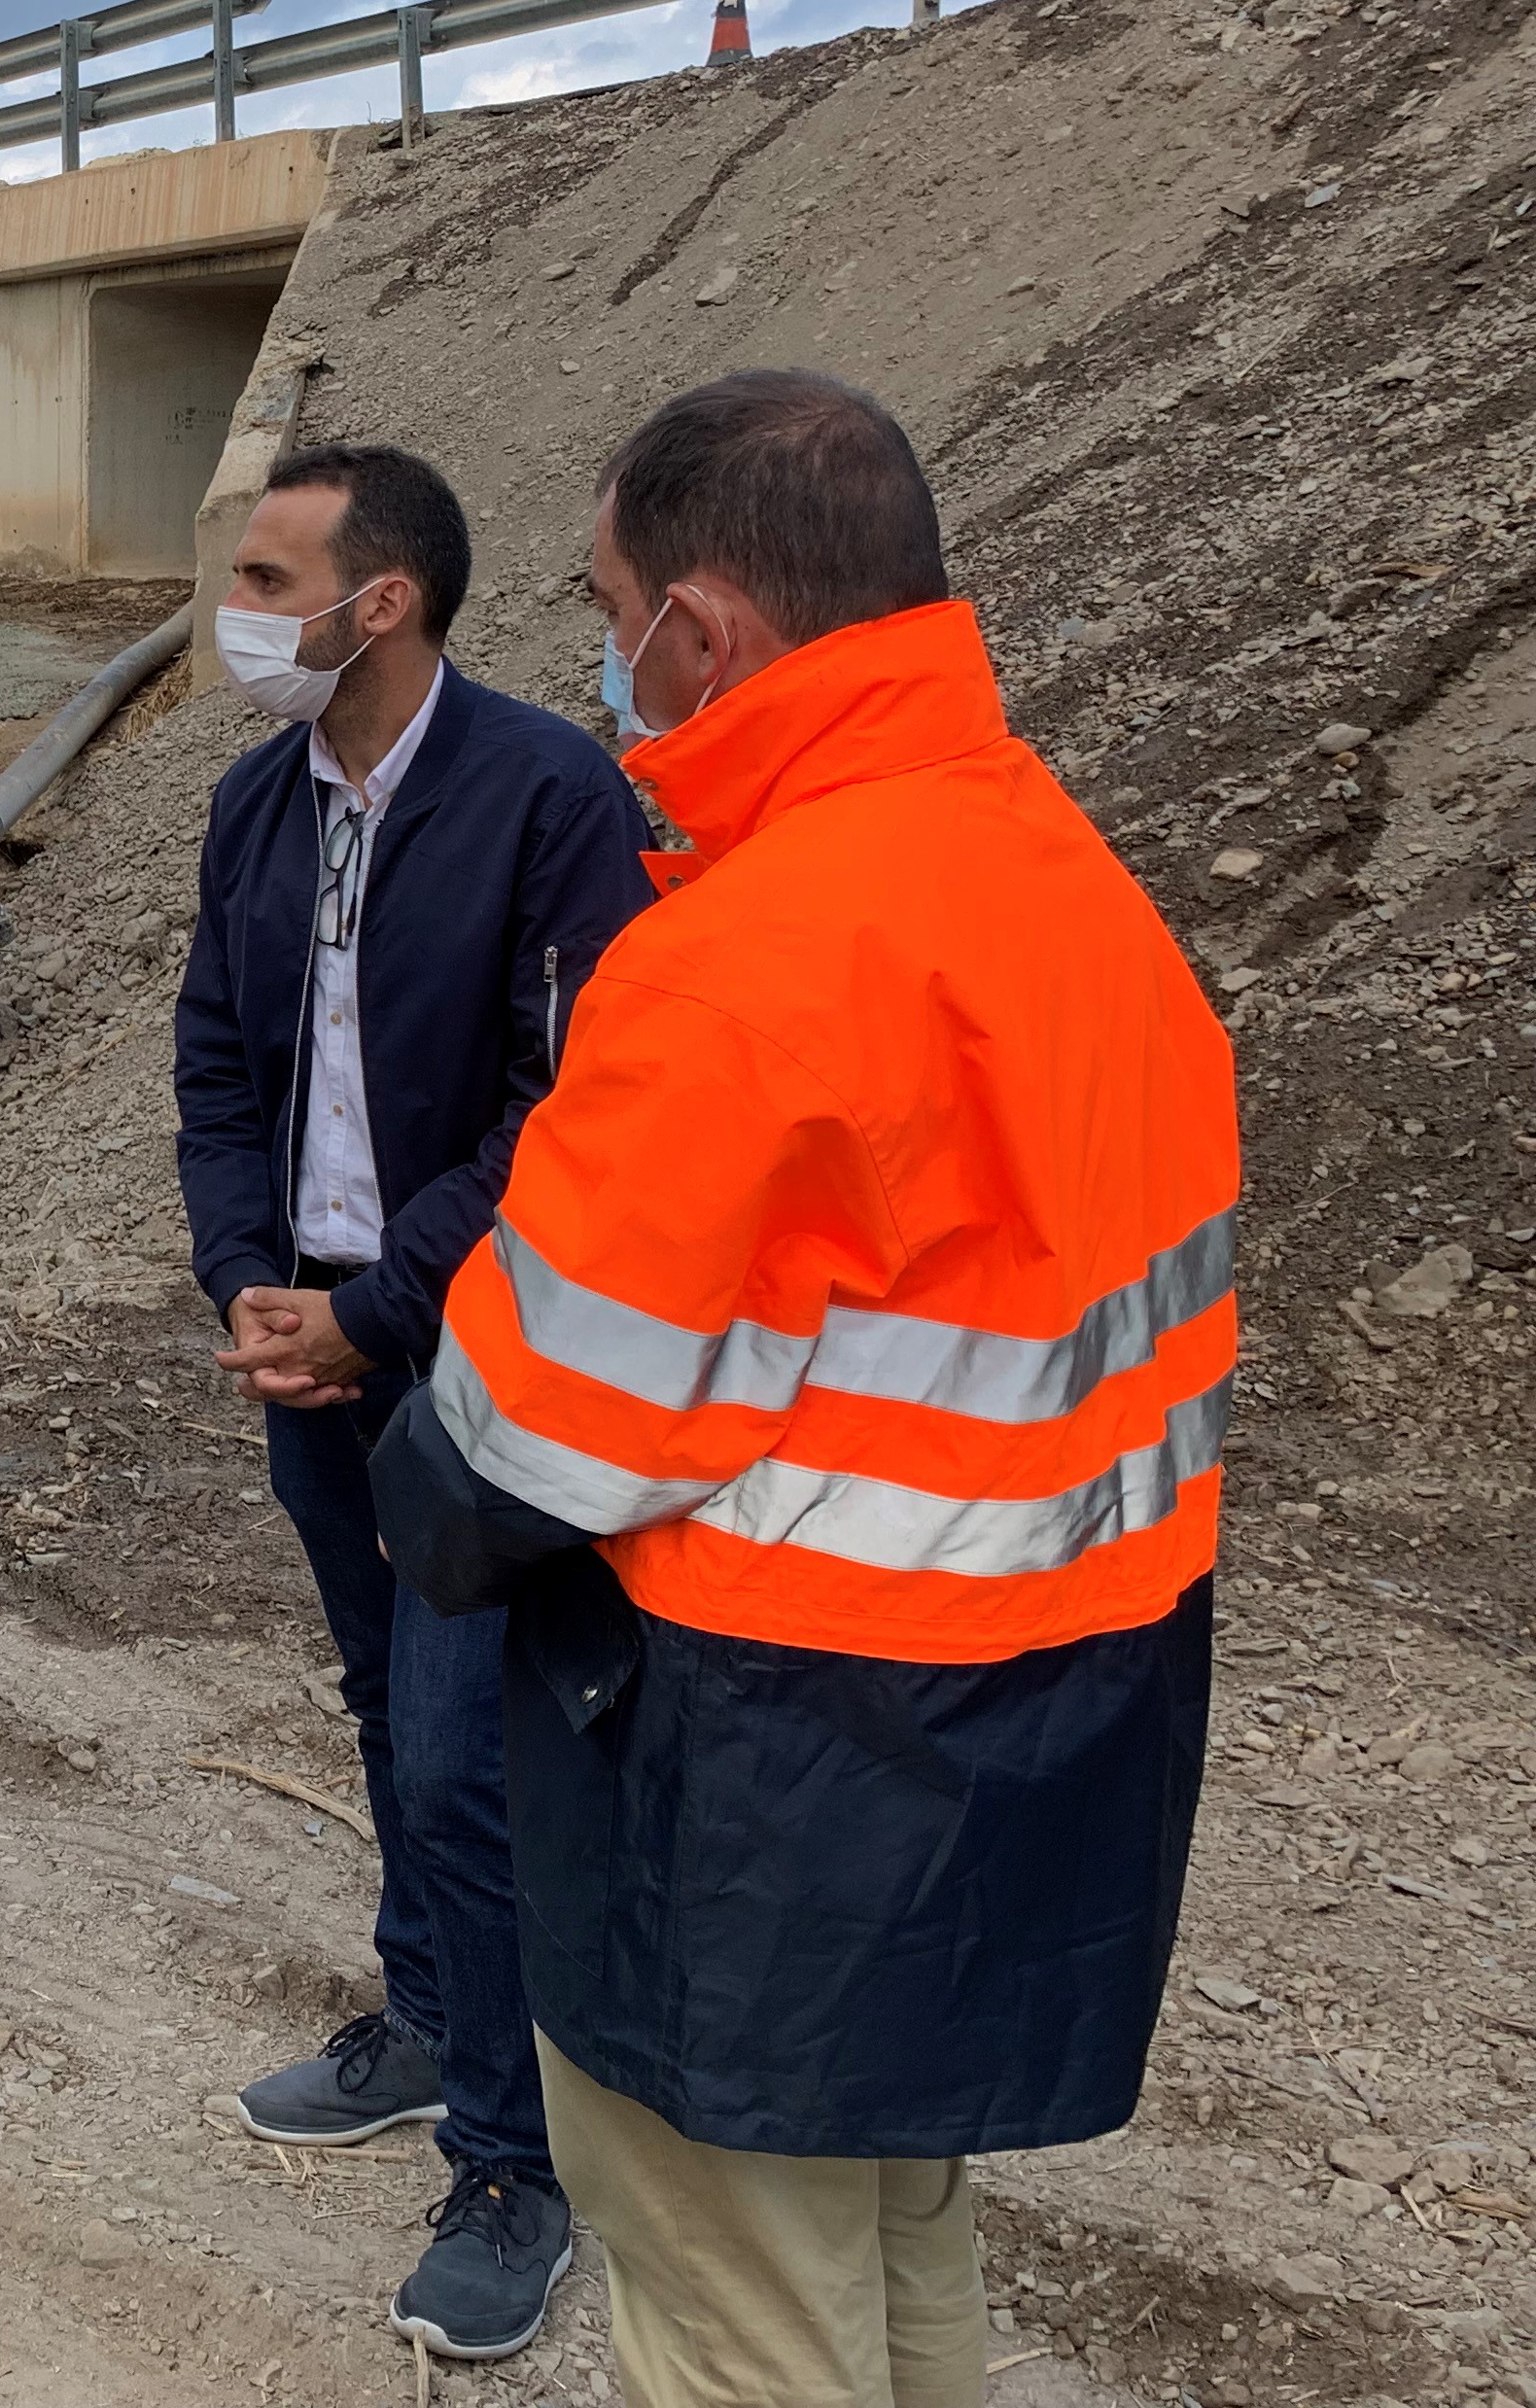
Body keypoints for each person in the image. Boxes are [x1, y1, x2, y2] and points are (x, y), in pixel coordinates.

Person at [373, 370, 1238, 2408]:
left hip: (768, 1763)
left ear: (708, 628)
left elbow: (532, 1436)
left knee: (741, 2306)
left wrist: (413, 1458)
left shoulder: (743, 959)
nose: (599, 658)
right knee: (901, 2246)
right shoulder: (1067, 884)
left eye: (608, 603)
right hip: (1056, 1706)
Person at [174, 441, 650, 2359]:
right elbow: (216, 1055)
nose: (243, 611)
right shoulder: (253, 805)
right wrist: (249, 1287)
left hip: (481, 1355)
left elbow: (576, 1112)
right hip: (314, 1347)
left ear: (383, 604)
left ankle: (518, 2162)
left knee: (470, 1753)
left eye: (274, 579)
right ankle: (434, 2009)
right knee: (382, 1703)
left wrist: (381, 1304)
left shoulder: (554, 796)